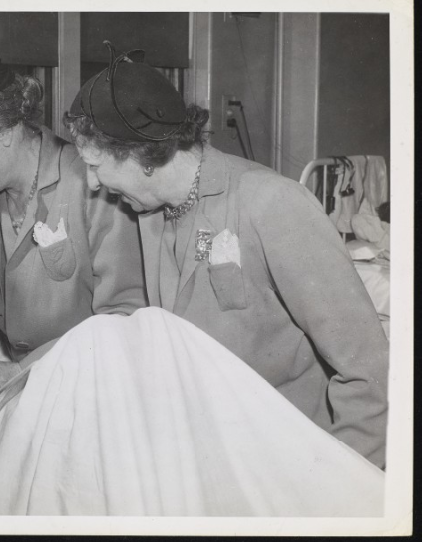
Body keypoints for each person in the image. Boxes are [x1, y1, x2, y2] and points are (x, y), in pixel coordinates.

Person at [63, 42, 389, 469]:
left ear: (140, 154)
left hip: (290, 456)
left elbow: (371, 373)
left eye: (96, 164)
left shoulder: (271, 204)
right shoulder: (150, 214)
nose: (91, 183)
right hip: (209, 446)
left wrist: (339, 480)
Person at [0, 40, 147, 397]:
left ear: (0, 130)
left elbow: (123, 321)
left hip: (95, 387)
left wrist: (20, 370)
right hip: (31, 388)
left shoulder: (91, 186)